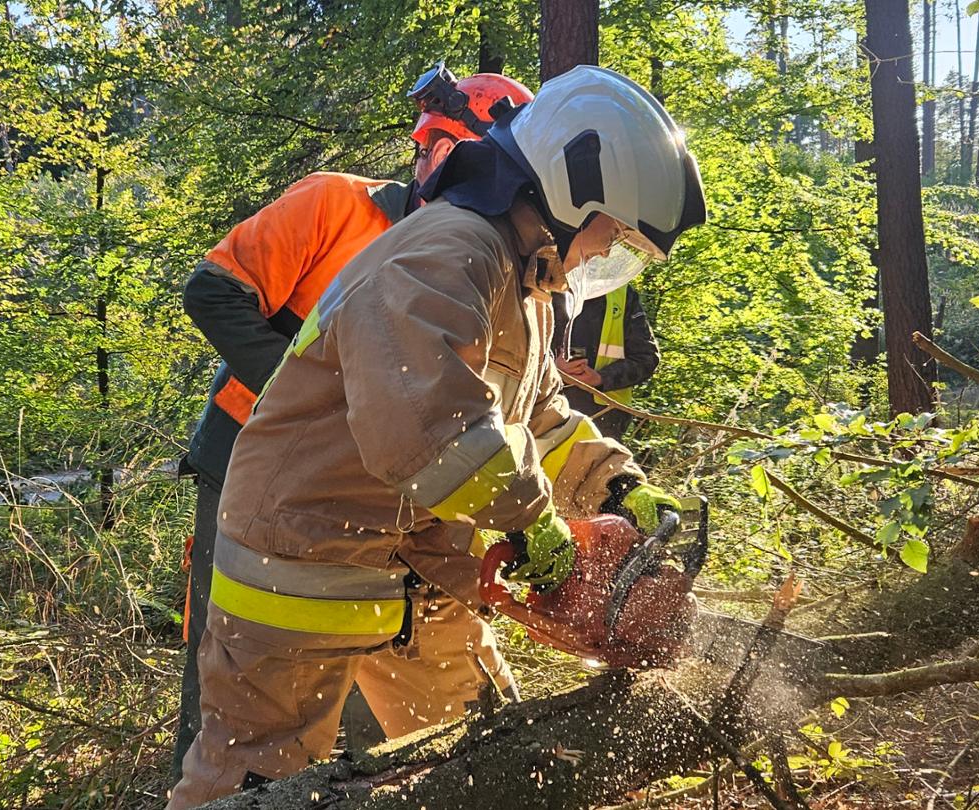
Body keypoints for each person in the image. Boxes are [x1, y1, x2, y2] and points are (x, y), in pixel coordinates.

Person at [169, 65, 705, 808]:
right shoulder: (447, 252)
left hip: (422, 566)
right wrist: (535, 525)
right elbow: (429, 430)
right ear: (569, 189)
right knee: (257, 783)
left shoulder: (529, 283)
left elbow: (538, 414)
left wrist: (617, 483)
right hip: (303, 562)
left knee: (485, 758)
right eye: (611, 236)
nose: (604, 257)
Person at [173, 65, 533, 780]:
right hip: (249, 461)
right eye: (433, 145)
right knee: (241, 666)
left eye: (454, 149)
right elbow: (212, 292)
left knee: (393, 660)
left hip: (375, 489)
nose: (439, 161)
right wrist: (311, 402)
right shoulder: (338, 203)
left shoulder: (481, 265)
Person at [552, 285, 661, 439]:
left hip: (605, 417)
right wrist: (552, 370)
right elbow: (515, 350)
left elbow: (646, 358)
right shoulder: (545, 285)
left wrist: (601, 378)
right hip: (546, 408)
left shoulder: (622, 294)